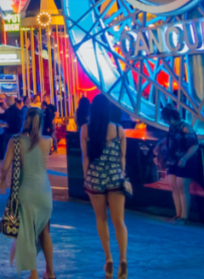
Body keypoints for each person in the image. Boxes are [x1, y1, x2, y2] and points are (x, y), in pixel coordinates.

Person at [0, 107, 55, 279]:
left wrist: (2, 181)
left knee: (27, 234)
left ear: (26, 120)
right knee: (44, 232)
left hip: (26, 193)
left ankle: (34, 274)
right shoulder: (49, 141)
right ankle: (50, 273)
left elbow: (5, 167)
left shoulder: (15, 141)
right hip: (45, 193)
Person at [82, 95, 128, 279]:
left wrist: (86, 177)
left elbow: (85, 157)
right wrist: (121, 174)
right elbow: (122, 157)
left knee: (101, 219)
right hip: (115, 177)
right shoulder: (119, 130)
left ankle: (108, 258)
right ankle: (123, 260)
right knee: (119, 221)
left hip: (95, 178)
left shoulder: (86, 130)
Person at [160, 106, 200, 224]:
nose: (166, 122)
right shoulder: (173, 127)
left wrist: (184, 158)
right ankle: (178, 215)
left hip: (185, 161)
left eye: (166, 119)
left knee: (182, 187)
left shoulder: (186, 128)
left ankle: (184, 217)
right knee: (174, 186)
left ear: (171, 118)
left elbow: (194, 145)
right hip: (174, 160)